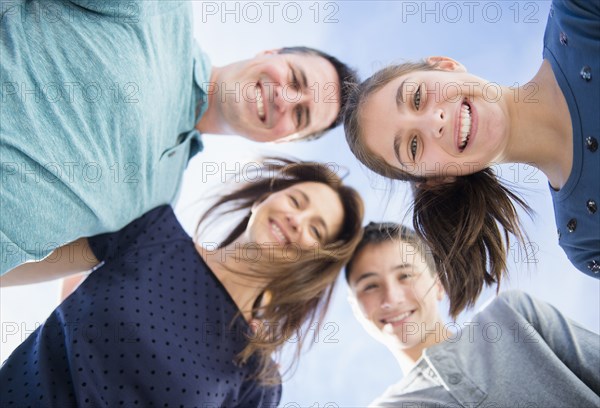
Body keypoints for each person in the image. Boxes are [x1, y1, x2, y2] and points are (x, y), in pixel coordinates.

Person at [0, 0, 359, 276]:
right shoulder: (160, 10)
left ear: (284, 141)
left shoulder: (160, 206)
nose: (286, 99)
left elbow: (50, 264)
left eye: (300, 115)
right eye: (295, 79)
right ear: (270, 52)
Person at [0, 158, 364, 406]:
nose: (297, 220)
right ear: (263, 200)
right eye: (297, 201)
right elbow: (14, 260)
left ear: (312, 263)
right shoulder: (151, 230)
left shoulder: (258, 376)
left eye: (316, 229)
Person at [343, 0, 599, 317]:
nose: (433, 122)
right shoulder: (587, 241)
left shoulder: (578, 14)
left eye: (417, 97)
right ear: (437, 179)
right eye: (412, 146)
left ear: (444, 65)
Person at [345, 222, 600, 407]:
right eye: (370, 286)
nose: (392, 298)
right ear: (356, 309)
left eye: (406, 276)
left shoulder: (512, 316)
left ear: (438, 286)